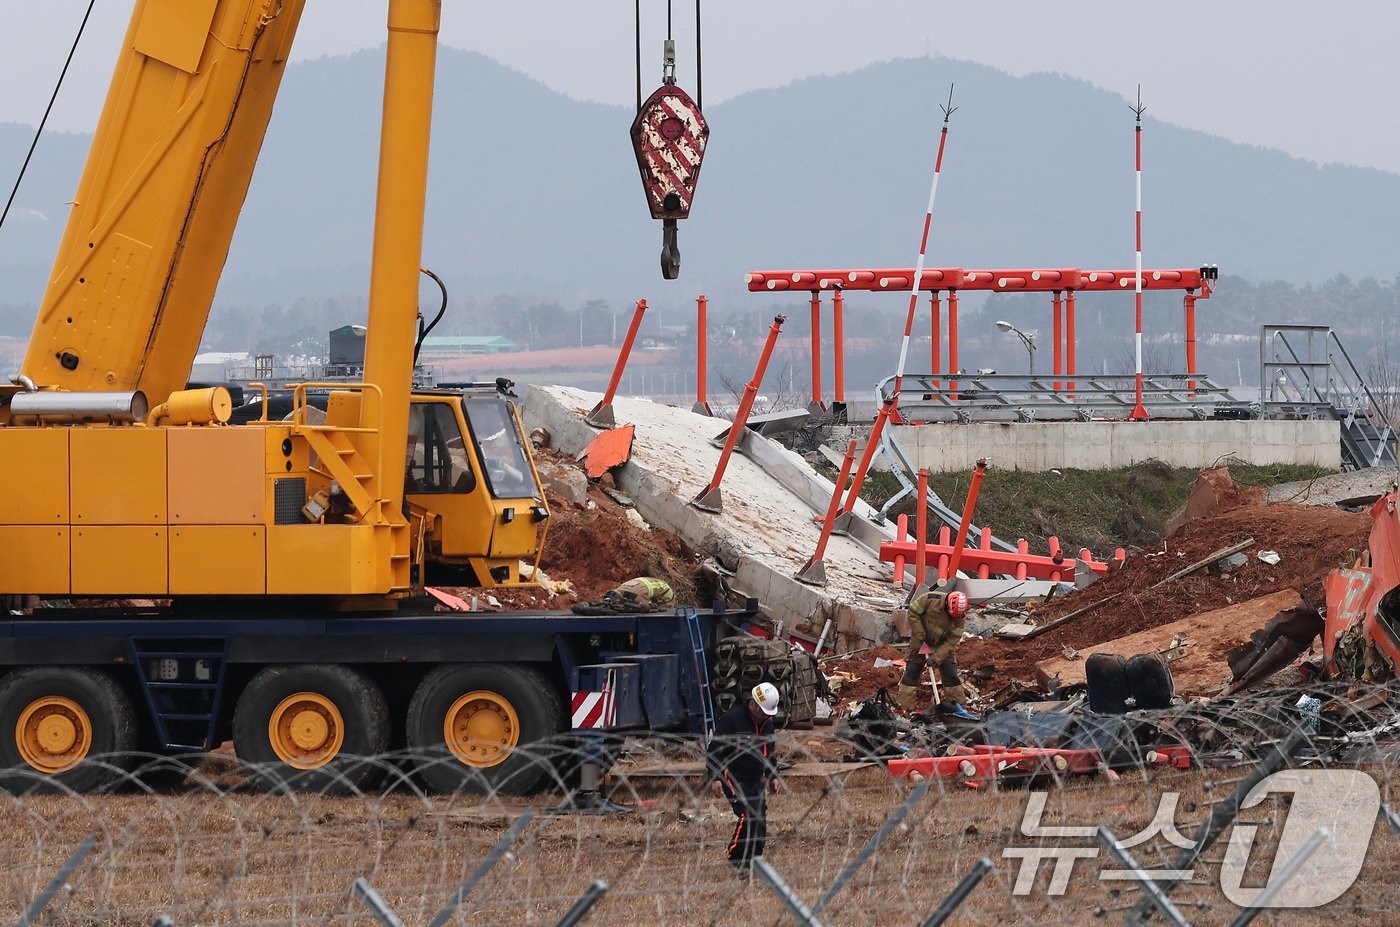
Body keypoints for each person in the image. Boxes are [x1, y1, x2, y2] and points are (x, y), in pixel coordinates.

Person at [707, 682, 784, 873]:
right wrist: (715, 777)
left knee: (760, 819)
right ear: (753, 705)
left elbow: (769, 753)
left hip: (755, 778)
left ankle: (755, 859)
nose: (767, 716)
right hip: (732, 775)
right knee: (747, 815)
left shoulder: (767, 725)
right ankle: (736, 858)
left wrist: (773, 776)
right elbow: (715, 750)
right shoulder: (732, 720)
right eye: (765, 712)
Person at [897, 588, 970, 710]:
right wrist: (920, 634)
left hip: (942, 645)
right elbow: (913, 613)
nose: (954, 618)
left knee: (950, 674)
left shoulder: (960, 618)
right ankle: (904, 707)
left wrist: (936, 658)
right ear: (947, 605)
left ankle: (958, 707)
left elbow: (952, 641)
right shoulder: (929, 599)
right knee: (912, 672)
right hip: (920, 641)